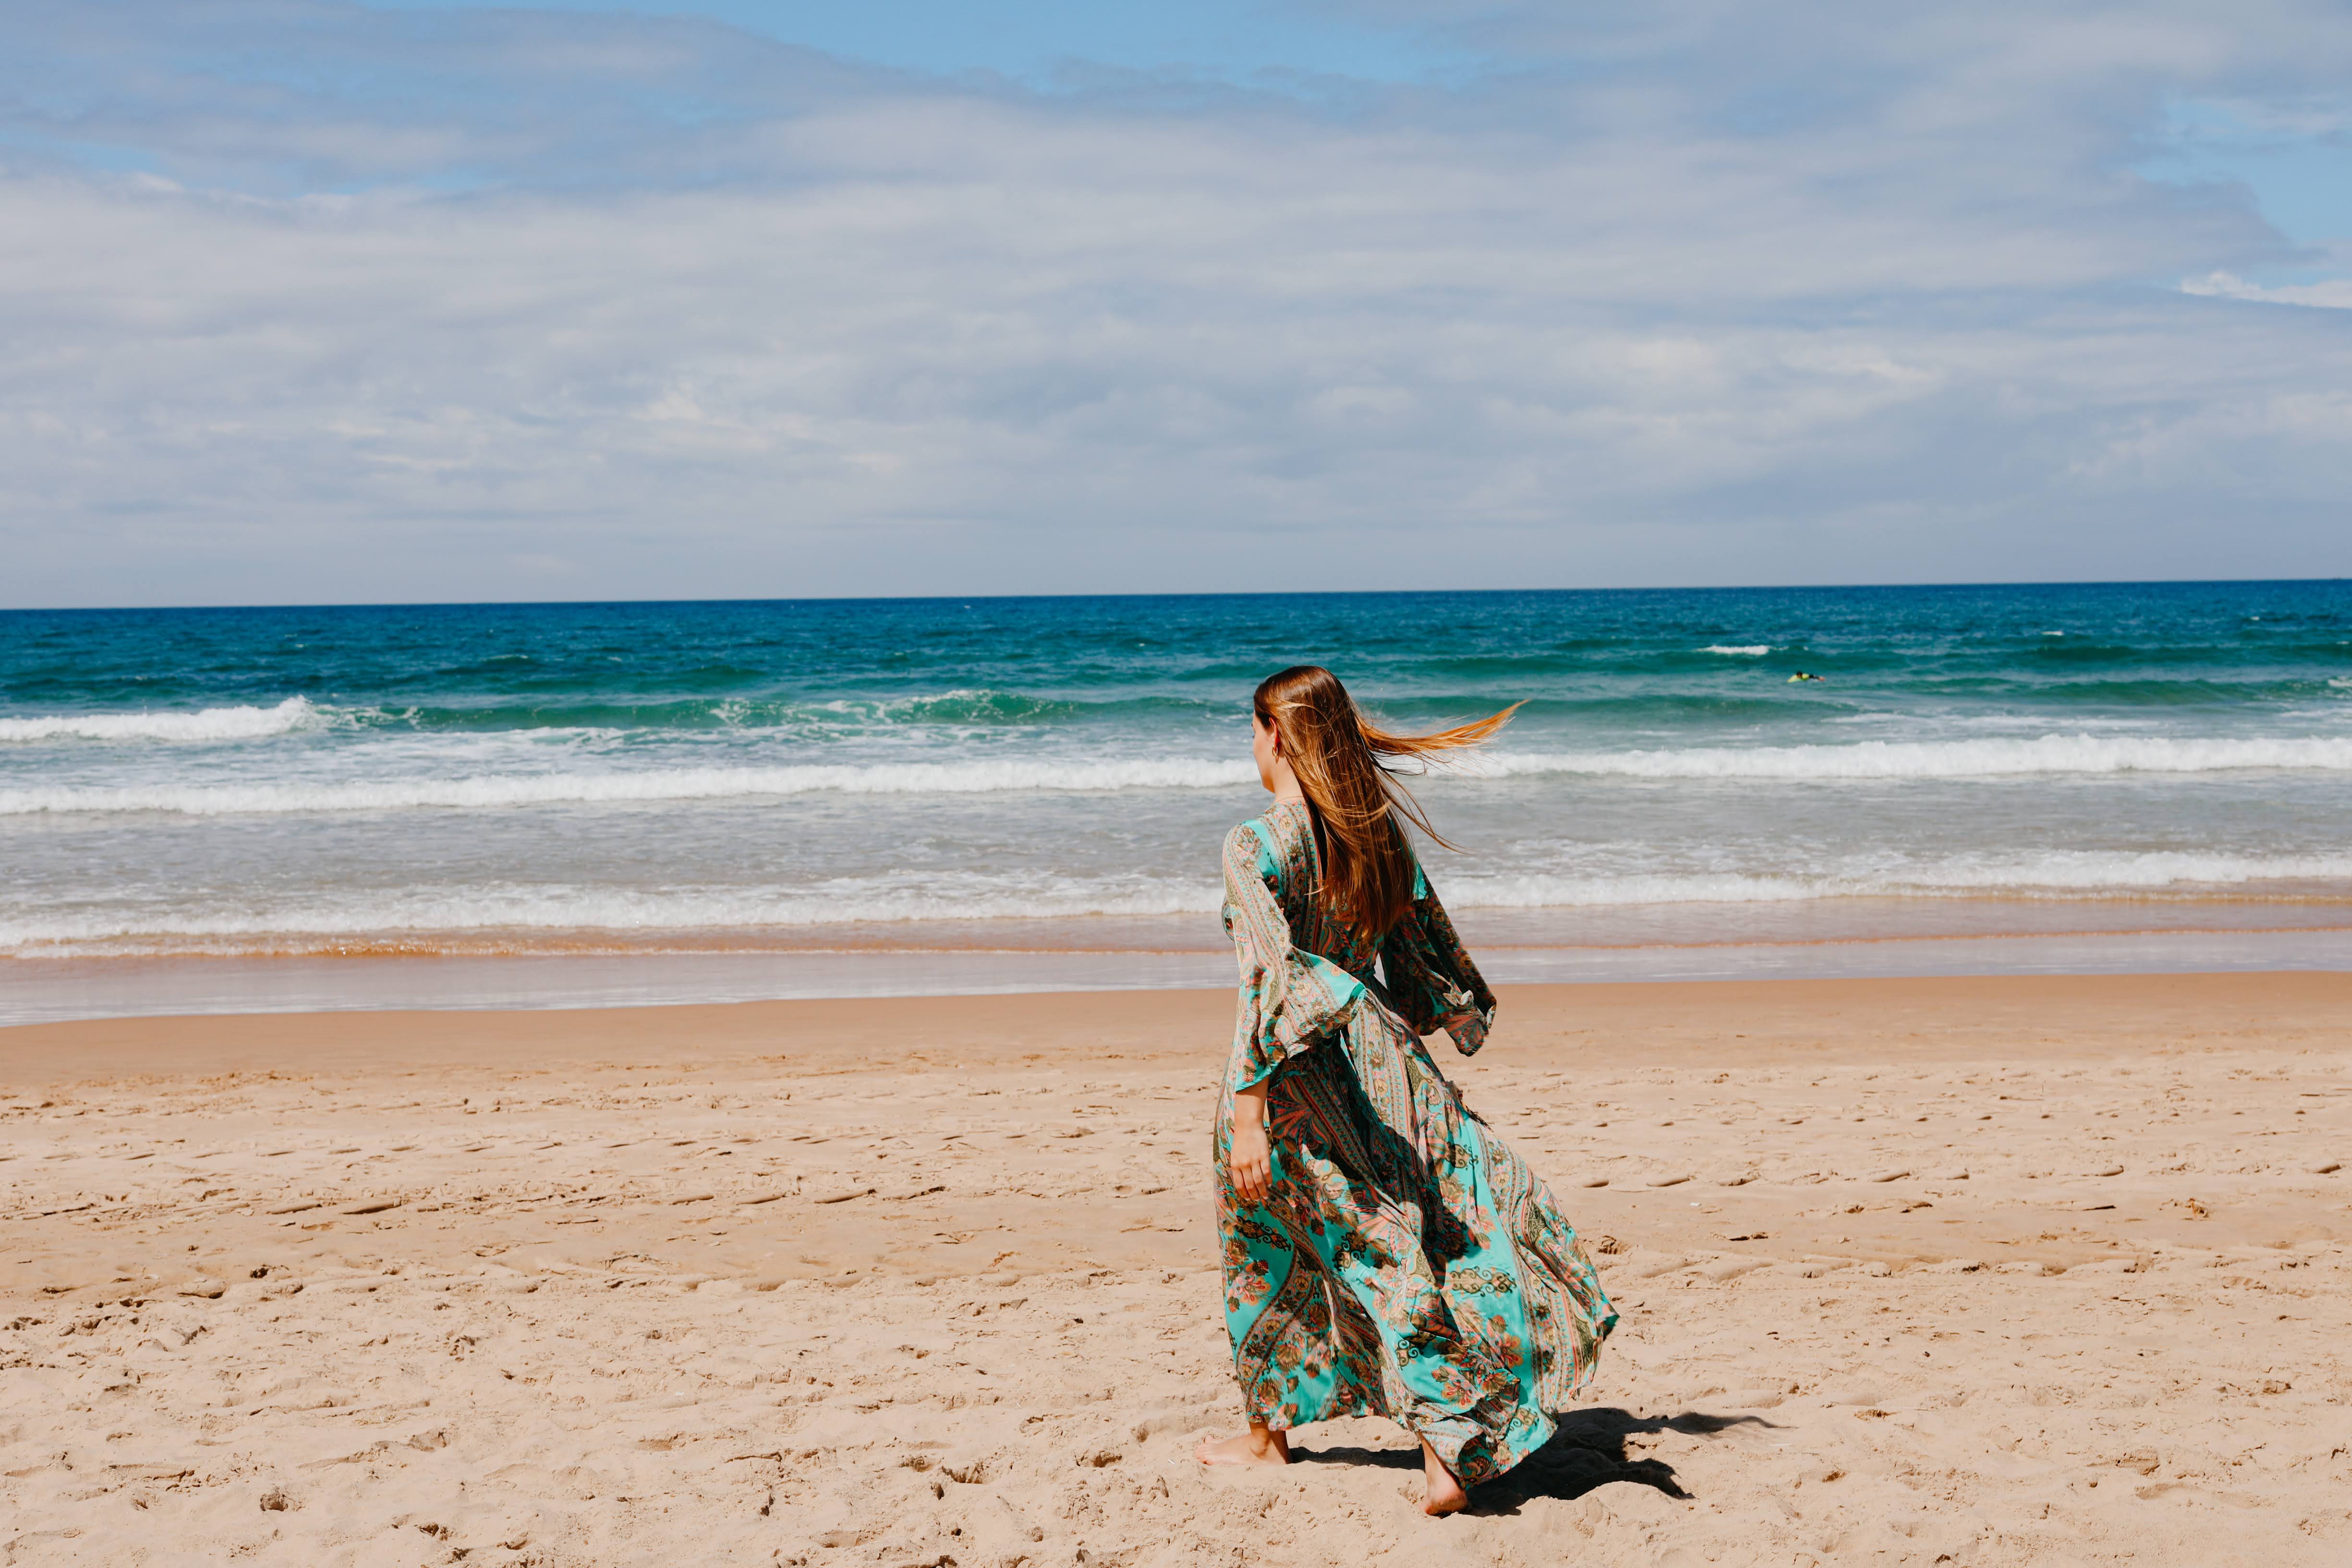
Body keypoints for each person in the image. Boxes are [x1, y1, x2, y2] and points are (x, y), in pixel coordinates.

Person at [1193, 665, 1617, 1515]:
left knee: (1293, 1246)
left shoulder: (1254, 843)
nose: (1250, 744)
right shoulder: (1375, 834)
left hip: (1291, 1076)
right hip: (1383, 1062)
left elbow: (1266, 985)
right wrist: (1414, 1025)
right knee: (1397, 1236)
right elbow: (1421, 957)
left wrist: (1246, 1113)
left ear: (1274, 734)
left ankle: (1410, 1449)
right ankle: (1311, 1437)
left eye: (1252, 729)